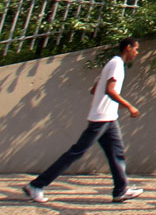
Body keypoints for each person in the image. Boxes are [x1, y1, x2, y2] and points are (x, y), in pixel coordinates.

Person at [22, 38, 144, 203]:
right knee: (77, 152)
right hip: (101, 118)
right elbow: (110, 90)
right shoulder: (116, 64)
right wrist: (129, 106)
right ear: (128, 48)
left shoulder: (112, 63)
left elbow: (95, 89)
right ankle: (36, 185)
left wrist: (110, 101)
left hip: (108, 117)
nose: (137, 53)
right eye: (136, 49)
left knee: (117, 153)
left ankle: (120, 191)